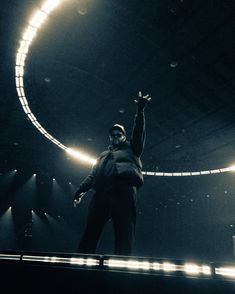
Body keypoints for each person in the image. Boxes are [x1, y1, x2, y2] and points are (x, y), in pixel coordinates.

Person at [73, 91, 151, 255]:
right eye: (113, 134)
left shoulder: (132, 149)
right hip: (101, 194)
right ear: (110, 137)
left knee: (124, 231)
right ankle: (81, 260)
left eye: (119, 134)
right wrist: (80, 191)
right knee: (90, 230)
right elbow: (92, 175)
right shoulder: (102, 155)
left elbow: (138, 132)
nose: (116, 135)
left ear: (123, 136)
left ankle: (122, 266)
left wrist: (140, 110)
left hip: (123, 192)